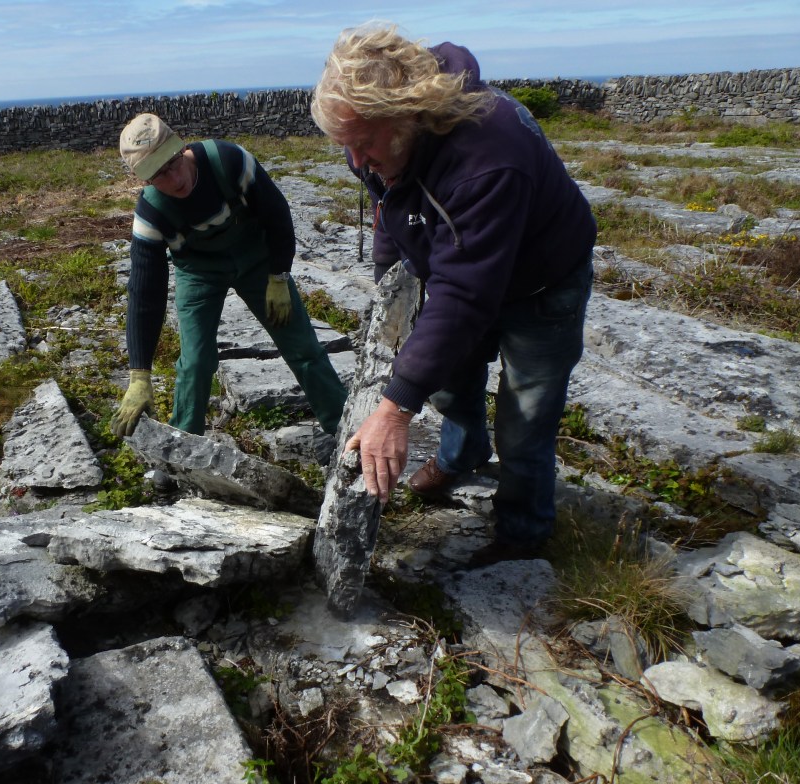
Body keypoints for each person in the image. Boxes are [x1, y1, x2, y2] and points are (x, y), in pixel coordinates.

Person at [311, 24, 597, 565]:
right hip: (465, 266)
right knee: (446, 384)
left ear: (407, 115)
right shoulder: (384, 142)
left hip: (542, 283)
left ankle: (522, 534)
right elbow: (390, 205)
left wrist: (394, 410)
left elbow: (465, 296)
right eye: (344, 146)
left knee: (526, 421)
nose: (355, 160)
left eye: (363, 144)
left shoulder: (486, 161)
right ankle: (462, 453)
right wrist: (390, 293)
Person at [110, 113, 348, 439]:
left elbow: (276, 214)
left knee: (302, 346)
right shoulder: (151, 213)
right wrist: (139, 374)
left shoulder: (229, 161)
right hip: (198, 273)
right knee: (194, 363)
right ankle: (184, 449)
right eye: (158, 175)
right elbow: (144, 293)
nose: (174, 179)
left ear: (181, 148)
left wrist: (278, 275)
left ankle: (346, 431)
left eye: (173, 163)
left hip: (258, 262)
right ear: (145, 180)